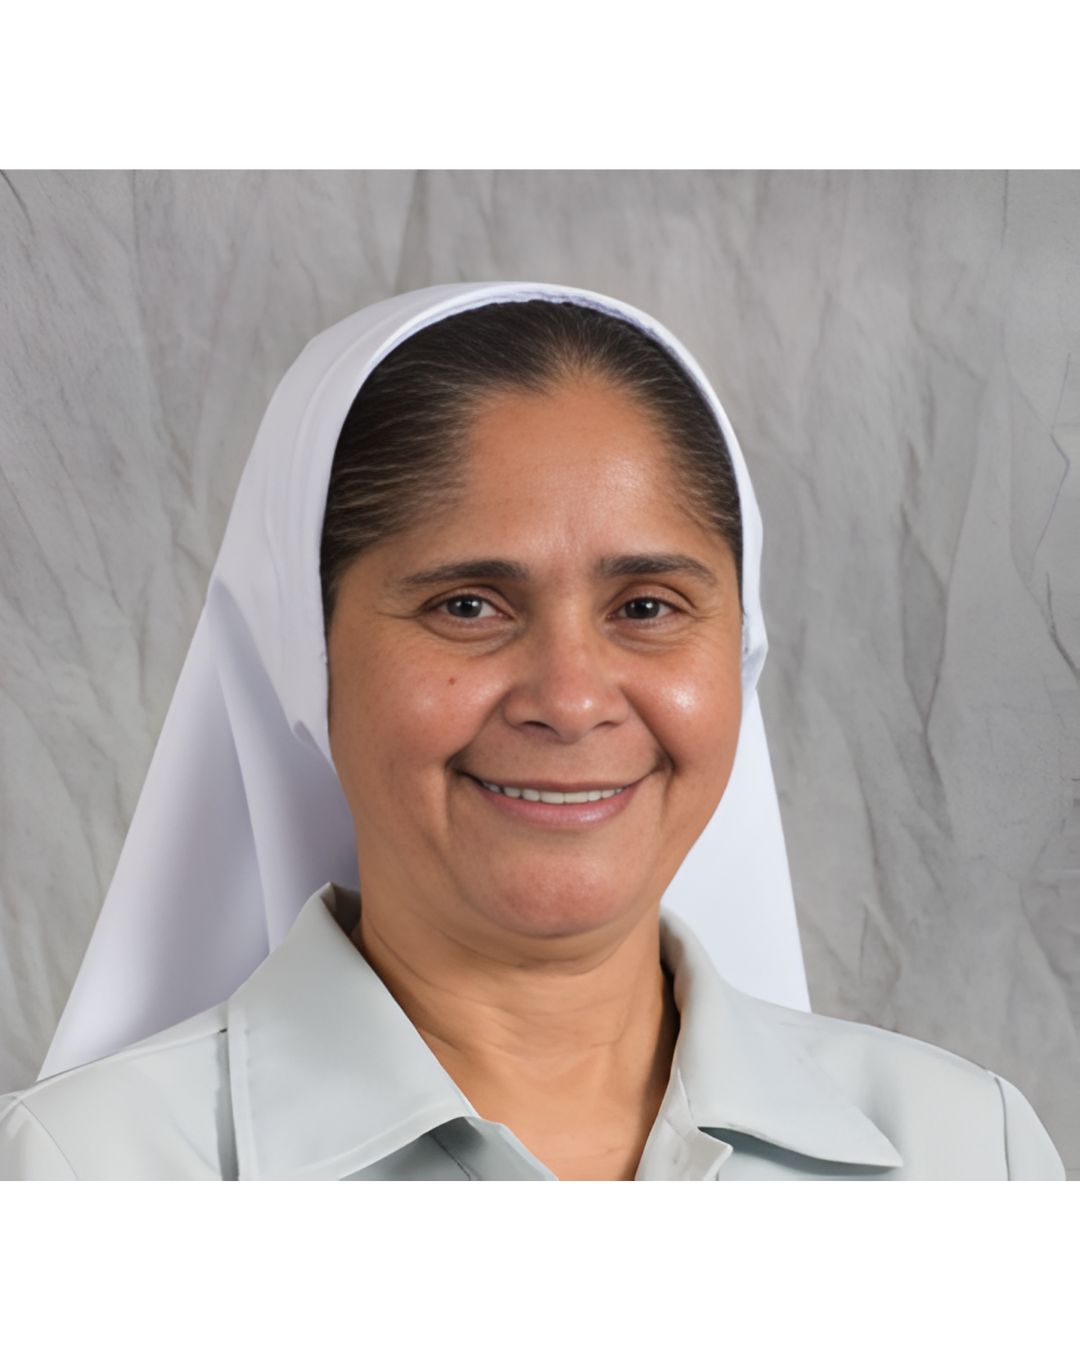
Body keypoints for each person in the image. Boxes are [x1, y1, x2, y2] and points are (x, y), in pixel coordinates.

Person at [0, 284, 1064, 1181]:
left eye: (647, 606)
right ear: (304, 653)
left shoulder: (967, 1147)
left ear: (739, 652)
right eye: (469, 605)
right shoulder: (86, 1162)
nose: (570, 697)